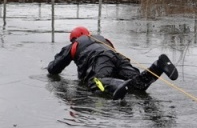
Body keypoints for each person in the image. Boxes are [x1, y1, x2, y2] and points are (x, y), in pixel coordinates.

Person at [46, 26, 179, 100]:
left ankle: (117, 84)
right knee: (136, 82)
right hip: (118, 57)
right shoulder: (102, 39)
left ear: (73, 38)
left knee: (96, 81)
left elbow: (54, 68)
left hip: (98, 58)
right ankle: (158, 66)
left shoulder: (74, 44)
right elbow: (111, 55)